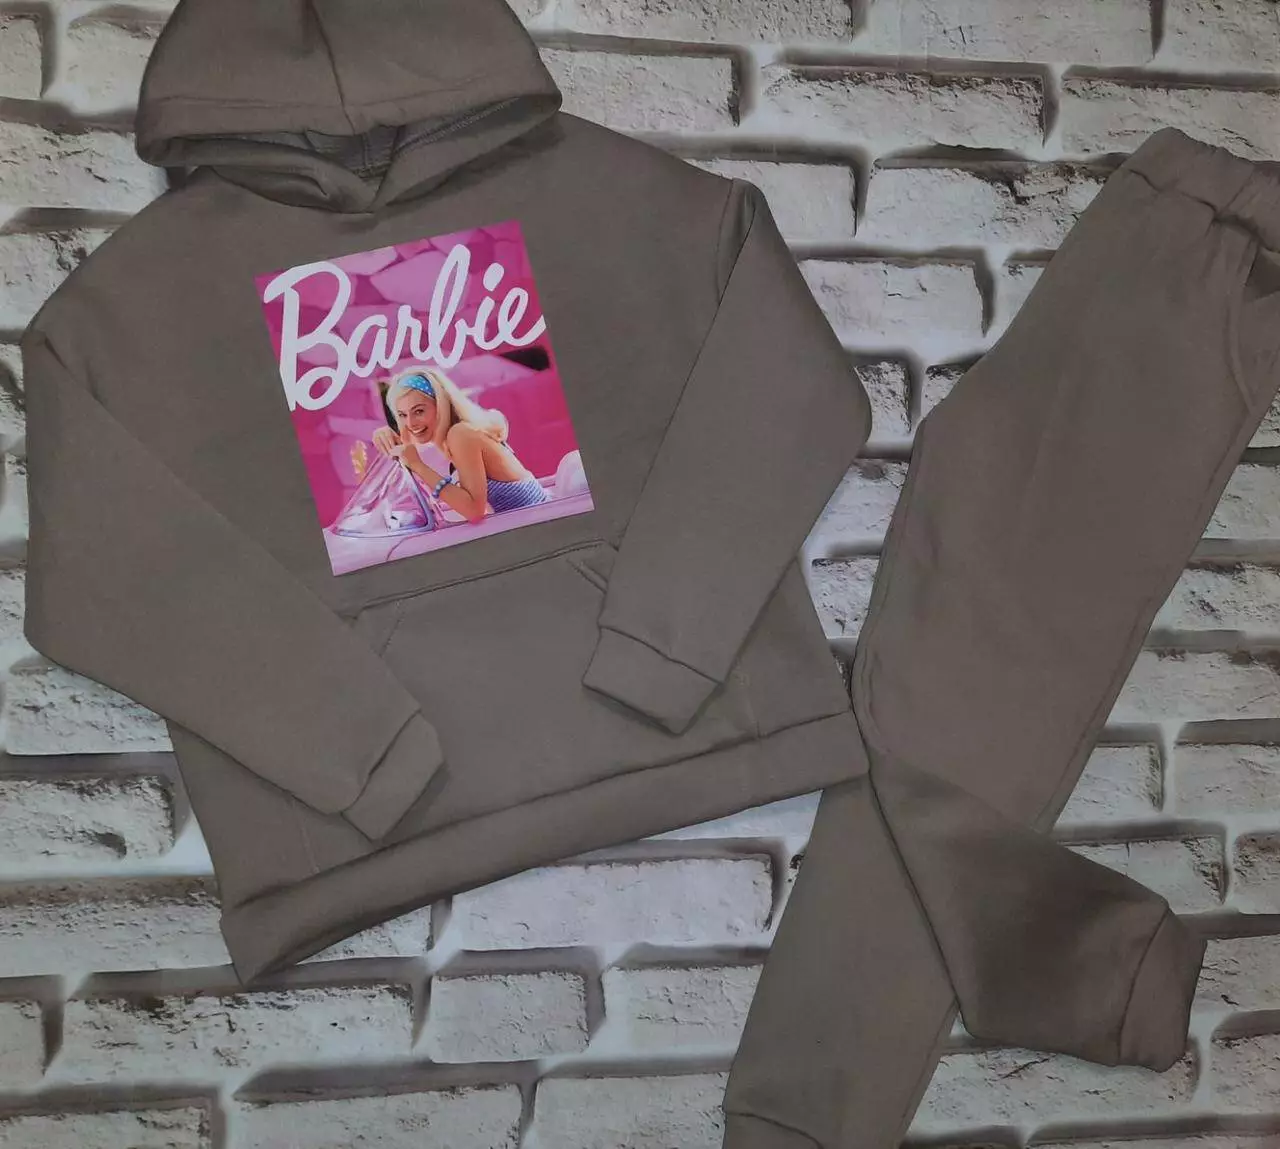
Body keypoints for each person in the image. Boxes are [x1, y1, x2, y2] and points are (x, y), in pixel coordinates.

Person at [370, 365, 551, 524]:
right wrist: (387, 434)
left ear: (440, 405)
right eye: (402, 415)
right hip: (533, 523)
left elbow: (474, 511)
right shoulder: (456, 433)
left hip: (541, 526)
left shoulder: (460, 434)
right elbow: (409, 445)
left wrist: (418, 465)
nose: (410, 423)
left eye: (419, 411)